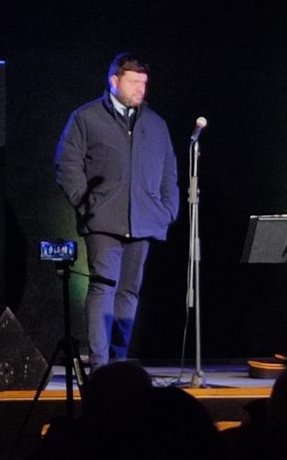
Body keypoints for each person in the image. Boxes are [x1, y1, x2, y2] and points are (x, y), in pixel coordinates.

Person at [55, 52, 179, 370]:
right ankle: (100, 363)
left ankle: (119, 360)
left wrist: (167, 210)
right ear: (114, 81)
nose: (140, 89)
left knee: (129, 291)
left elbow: (169, 171)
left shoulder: (156, 124)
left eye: (144, 83)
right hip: (102, 220)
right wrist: (87, 204)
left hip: (145, 221)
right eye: (134, 82)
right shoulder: (87, 117)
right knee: (103, 286)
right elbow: (67, 165)